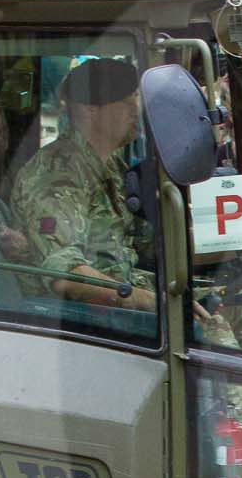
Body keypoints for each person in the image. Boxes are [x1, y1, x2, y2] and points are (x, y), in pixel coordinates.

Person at [11, 58, 159, 312]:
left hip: (128, 292)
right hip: (88, 320)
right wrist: (151, 303)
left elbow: (144, 242)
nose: (138, 109)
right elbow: (67, 275)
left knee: (238, 303)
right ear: (90, 108)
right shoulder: (56, 174)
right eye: (128, 100)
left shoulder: (111, 164)